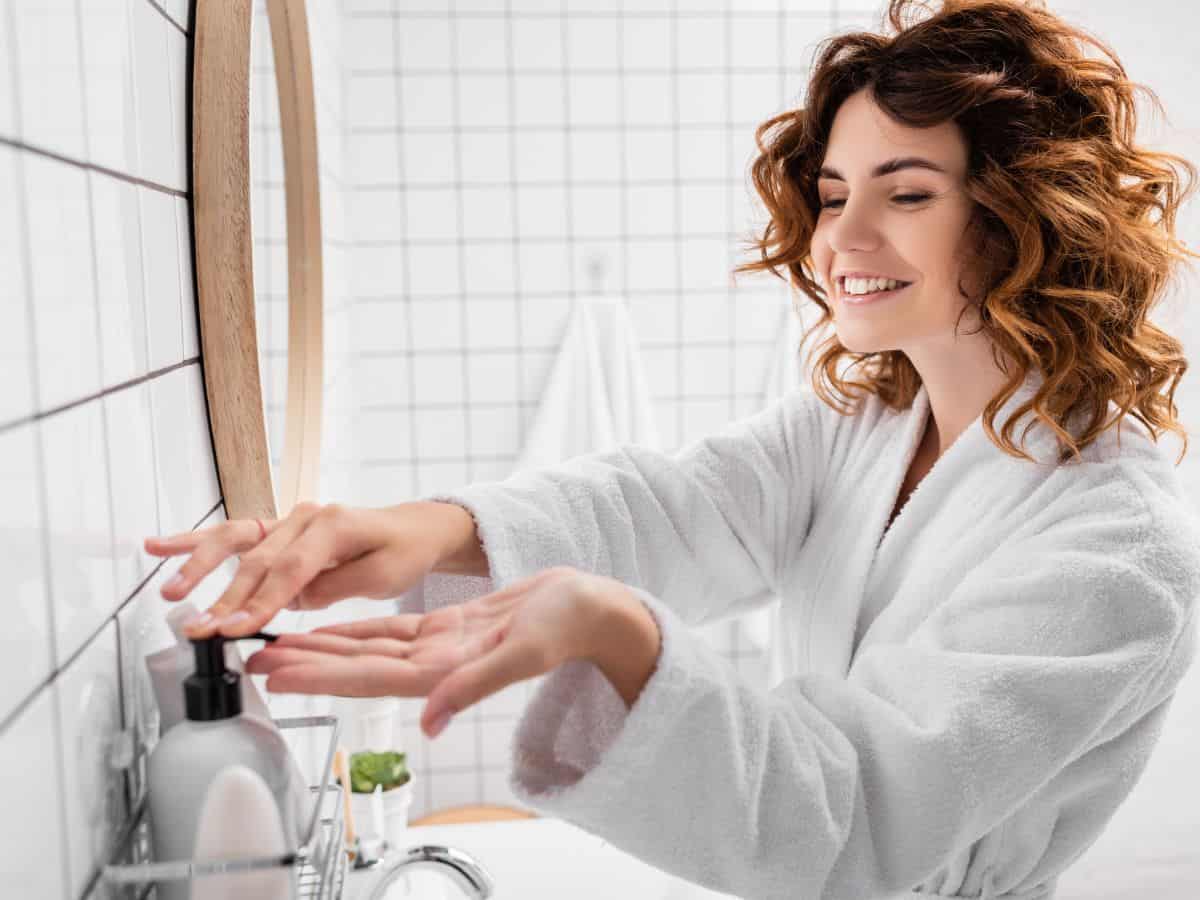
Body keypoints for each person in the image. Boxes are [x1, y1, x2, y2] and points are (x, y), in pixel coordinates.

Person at [145, 1, 1200, 898]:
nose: (841, 238)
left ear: (1028, 217)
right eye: (834, 195)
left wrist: (613, 630)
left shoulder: (1116, 542)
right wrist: (429, 533)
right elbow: (681, 506)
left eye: (907, 192)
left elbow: (852, 809)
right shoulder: (871, 427)